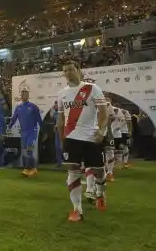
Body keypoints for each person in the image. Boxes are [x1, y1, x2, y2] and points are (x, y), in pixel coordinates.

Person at [55, 61, 110, 222]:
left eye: (71, 69)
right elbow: (60, 118)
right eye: (65, 70)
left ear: (79, 70)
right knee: (73, 170)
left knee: (98, 171)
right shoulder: (62, 93)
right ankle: (77, 210)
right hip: (71, 137)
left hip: (91, 136)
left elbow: (103, 113)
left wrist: (101, 131)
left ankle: (100, 193)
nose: (68, 72)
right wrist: (61, 139)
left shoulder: (92, 89)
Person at [8, 89, 43, 177]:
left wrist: (43, 130)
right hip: (24, 133)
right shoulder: (18, 107)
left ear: (28, 95)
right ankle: (33, 168)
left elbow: (39, 119)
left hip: (32, 131)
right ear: (21, 96)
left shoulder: (33, 106)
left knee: (29, 149)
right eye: (22, 94)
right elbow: (14, 118)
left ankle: (28, 169)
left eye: (25, 94)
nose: (24, 95)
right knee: (26, 151)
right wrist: (9, 127)